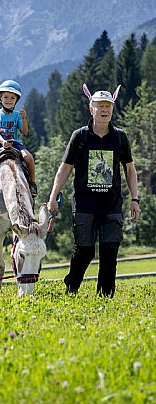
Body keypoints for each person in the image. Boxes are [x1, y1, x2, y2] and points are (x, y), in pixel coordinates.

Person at [47, 83, 140, 298]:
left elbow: (130, 169)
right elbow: (65, 168)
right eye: (100, 106)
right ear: (91, 109)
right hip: (84, 205)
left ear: (112, 109)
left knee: (109, 252)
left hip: (111, 205)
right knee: (84, 251)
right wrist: (53, 197)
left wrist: (135, 199)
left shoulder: (120, 137)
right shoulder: (79, 136)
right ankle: (71, 288)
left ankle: (105, 298)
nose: (104, 109)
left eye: (108, 105)